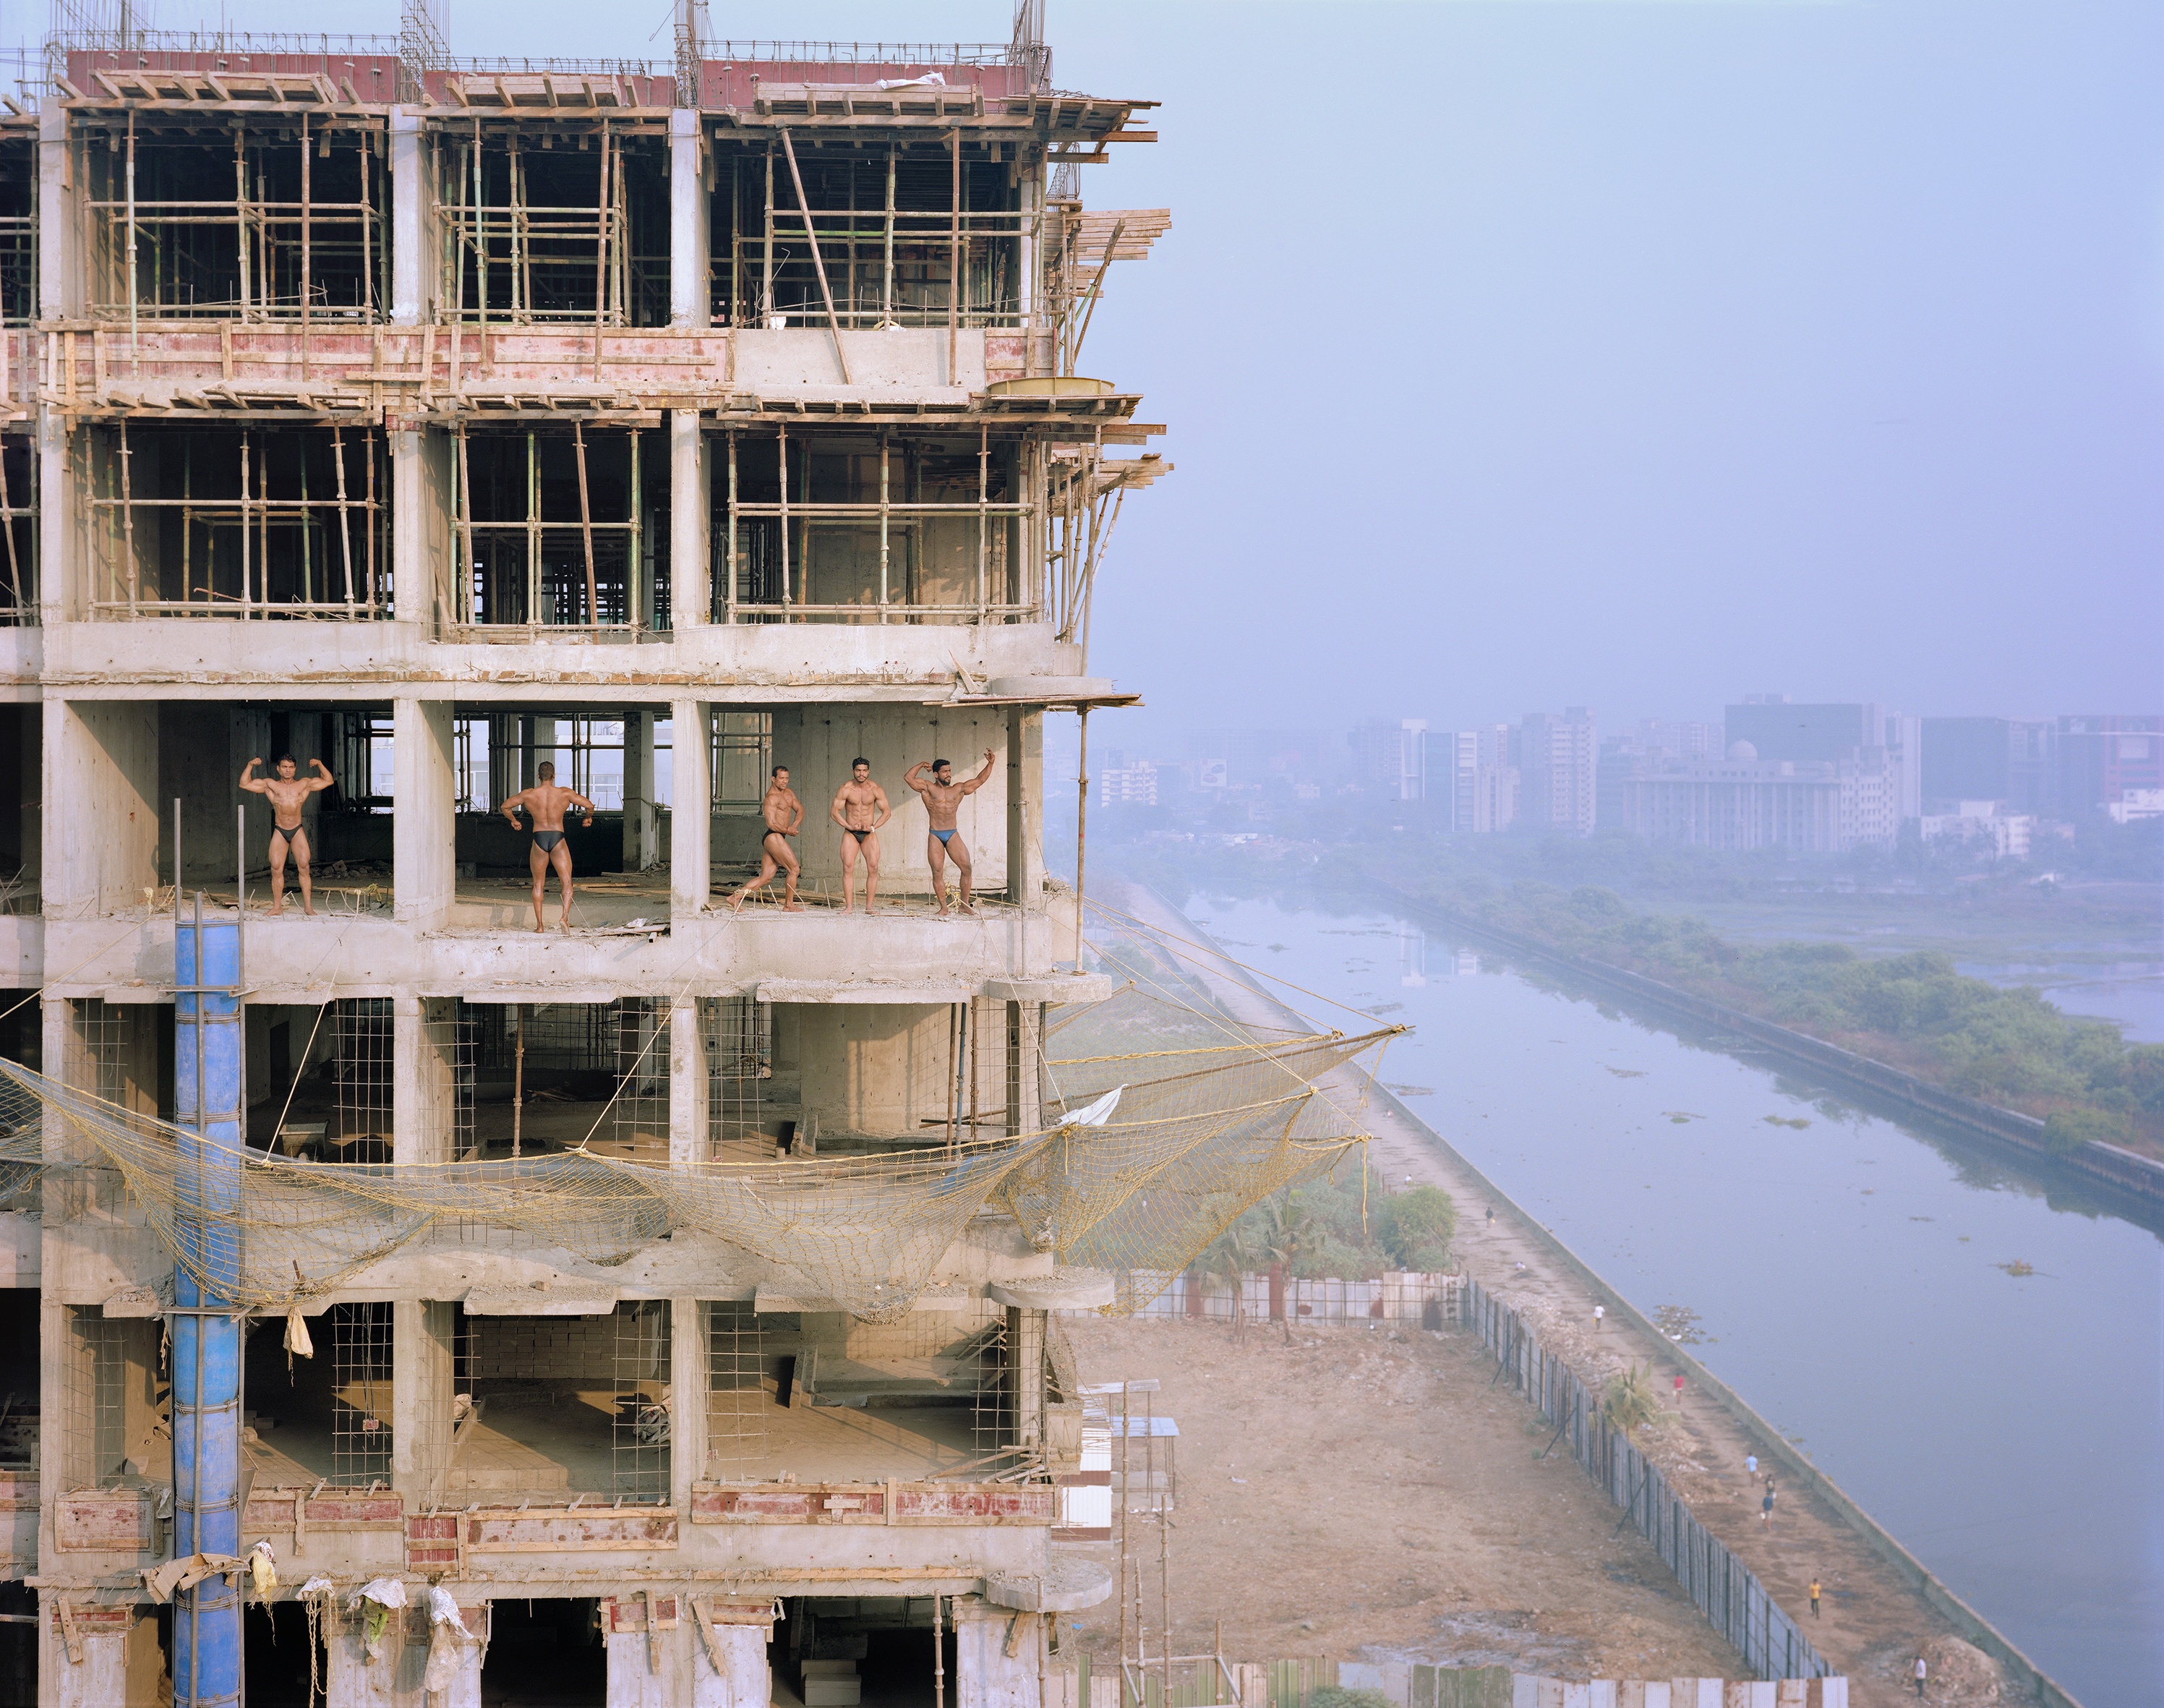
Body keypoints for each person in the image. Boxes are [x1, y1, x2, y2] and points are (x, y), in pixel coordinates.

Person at [500, 762, 596, 933]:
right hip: (558, 838)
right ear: (554, 776)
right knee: (566, 881)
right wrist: (588, 818)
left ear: (538, 776)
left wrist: (514, 821)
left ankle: (540, 926)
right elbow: (589, 805)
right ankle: (564, 918)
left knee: (538, 884)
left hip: (539, 838)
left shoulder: (529, 794)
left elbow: (505, 806)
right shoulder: (564, 793)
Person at [239, 754, 335, 916]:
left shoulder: (304, 784)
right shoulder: (270, 785)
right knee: (276, 868)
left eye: (291, 767)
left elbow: (328, 781)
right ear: (278, 769)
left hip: (297, 829)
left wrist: (319, 764)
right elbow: (244, 784)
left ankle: (308, 908)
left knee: (304, 867)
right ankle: (277, 907)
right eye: (284, 767)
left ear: (295, 769)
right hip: (280, 830)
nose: (288, 770)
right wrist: (250, 765)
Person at [903, 749, 996, 916]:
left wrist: (990, 763)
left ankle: (964, 905)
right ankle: (944, 908)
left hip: (952, 834)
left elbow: (980, 780)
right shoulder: (927, 788)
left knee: (966, 867)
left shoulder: (958, 789)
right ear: (936, 774)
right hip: (935, 835)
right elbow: (908, 778)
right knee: (937, 871)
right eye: (945, 772)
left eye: (950, 771)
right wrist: (921, 765)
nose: (949, 775)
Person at [729, 766, 805, 913]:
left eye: (787, 778)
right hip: (773, 836)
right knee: (794, 869)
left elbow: (801, 810)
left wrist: (793, 826)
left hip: (779, 836)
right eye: (781, 778)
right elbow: (771, 823)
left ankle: (735, 897)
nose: (785, 781)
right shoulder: (771, 798)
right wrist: (787, 830)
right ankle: (789, 905)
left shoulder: (789, 794)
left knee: (766, 877)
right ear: (773, 779)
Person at [829, 758, 893, 913]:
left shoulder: (875, 789)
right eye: (858, 770)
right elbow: (834, 812)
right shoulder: (845, 789)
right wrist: (849, 826)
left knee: (873, 867)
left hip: (869, 833)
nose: (861, 774)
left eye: (864, 770)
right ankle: (849, 907)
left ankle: (869, 907)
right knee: (847, 867)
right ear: (853, 771)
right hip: (851, 833)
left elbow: (887, 812)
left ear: (868, 771)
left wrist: (873, 827)